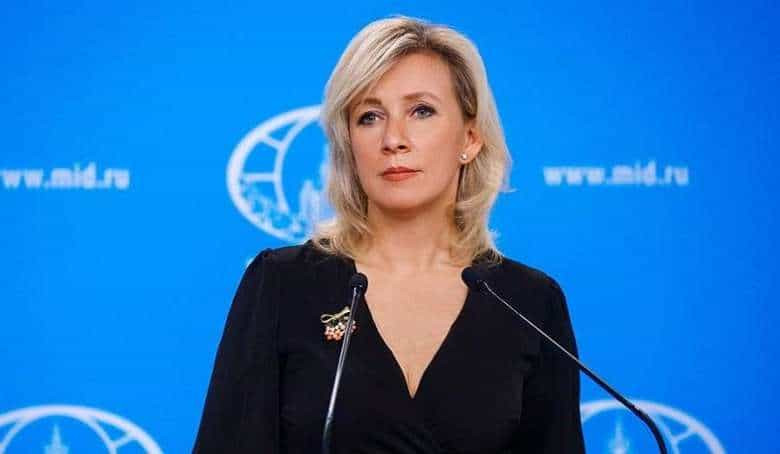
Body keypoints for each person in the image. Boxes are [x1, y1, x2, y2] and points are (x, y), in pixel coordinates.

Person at [193, 15, 585, 453]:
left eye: (421, 111)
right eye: (369, 117)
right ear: (349, 143)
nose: (393, 138)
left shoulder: (529, 302)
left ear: (470, 139)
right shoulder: (283, 283)